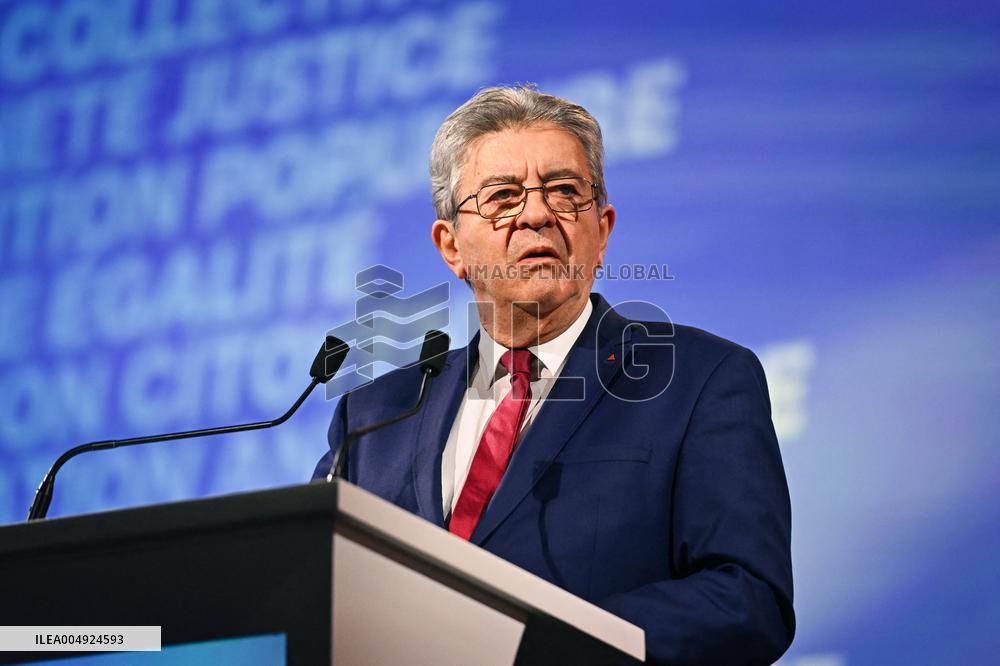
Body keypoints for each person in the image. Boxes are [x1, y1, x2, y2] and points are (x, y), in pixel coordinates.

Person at [312, 85, 794, 665]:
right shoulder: (375, 419)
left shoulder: (699, 381)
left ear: (603, 230)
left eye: (565, 192)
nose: (537, 214)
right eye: (502, 197)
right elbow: (314, 597)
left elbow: (746, 597)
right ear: (451, 246)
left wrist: (532, 644)